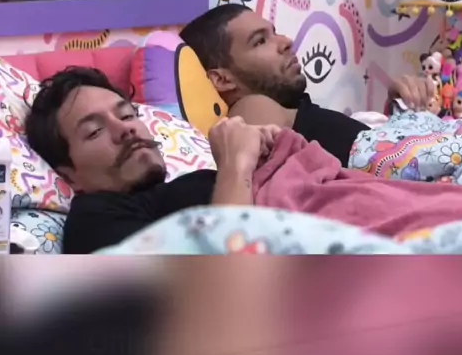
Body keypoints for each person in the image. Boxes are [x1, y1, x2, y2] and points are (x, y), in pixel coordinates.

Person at [24, 67, 279, 254]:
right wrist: (236, 165)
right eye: (94, 131)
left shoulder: (192, 183)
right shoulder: (93, 221)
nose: (125, 129)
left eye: (127, 115)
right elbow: (223, 284)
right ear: (70, 176)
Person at [179, 5, 435, 168]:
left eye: (274, 32)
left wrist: (399, 113)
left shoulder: (290, 110)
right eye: (259, 41)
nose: (286, 41)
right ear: (222, 80)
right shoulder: (250, 108)